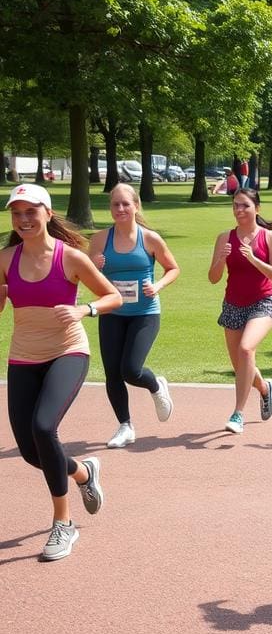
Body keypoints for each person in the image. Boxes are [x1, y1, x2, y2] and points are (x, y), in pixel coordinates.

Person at [0, 184, 122, 560]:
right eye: (16, 213)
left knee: (43, 427)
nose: (23, 219)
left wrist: (84, 310)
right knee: (31, 453)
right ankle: (83, 472)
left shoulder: (71, 258)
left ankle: (63, 525)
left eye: (31, 212)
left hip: (67, 351)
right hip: (23, 355)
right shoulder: (4, 259)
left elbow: (112, 296)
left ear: (47, 214)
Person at [88, 184, 180, 449]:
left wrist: (158, 286)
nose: (120, 209)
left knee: (130, 369)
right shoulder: (99, 240)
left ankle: (155, 386)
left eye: (125, 204)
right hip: (112, 312)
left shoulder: (149, 238)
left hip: (145, 313)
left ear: (136, 206)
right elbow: (85, 276)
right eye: (115, 204)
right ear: (110, 208)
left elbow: (173, 268)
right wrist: (95, 266)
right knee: (112, 373)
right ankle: (125, 426)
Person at [208, 188, 272, 434]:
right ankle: (264, 388)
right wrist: (220, 259)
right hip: (233, 304)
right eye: (235, 205)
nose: (239, 210)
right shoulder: (224, 237)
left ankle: (238, 414)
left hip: (263, 302)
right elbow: (213, 278)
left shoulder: (269, 237)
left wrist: (254, 259)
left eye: (245, 205)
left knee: (246, 348)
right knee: (241, 366)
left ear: (256, 208)